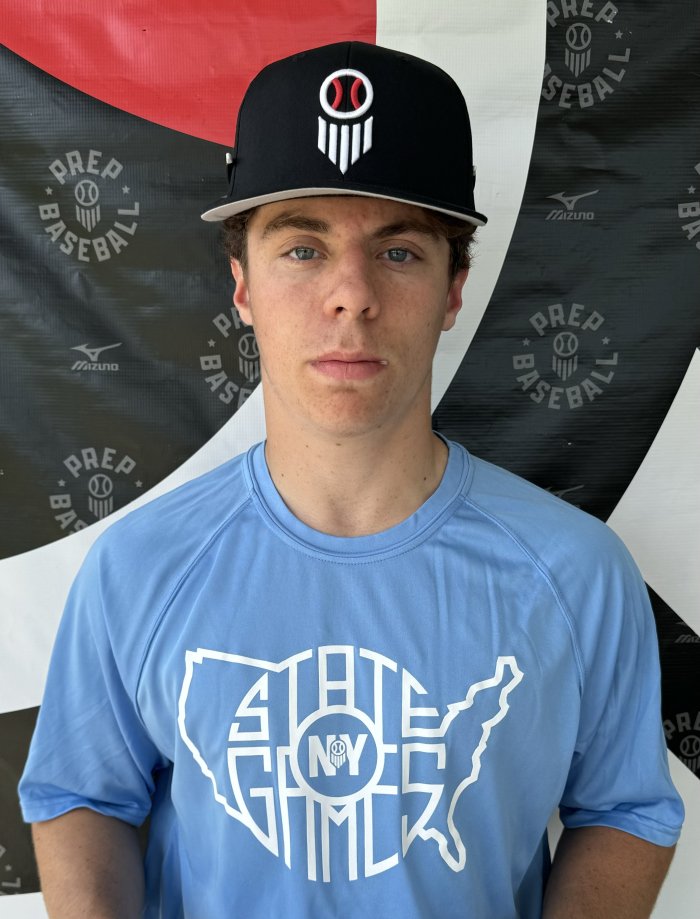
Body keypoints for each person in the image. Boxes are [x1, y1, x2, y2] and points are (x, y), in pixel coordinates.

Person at [19, 41, 683, 919]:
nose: (351, 295)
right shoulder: (139, 566)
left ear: (454, 288)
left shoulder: (576, 571)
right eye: (302, 248)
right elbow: (82, 794)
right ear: (241, 284)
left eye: (398, 252)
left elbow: (625, 808)